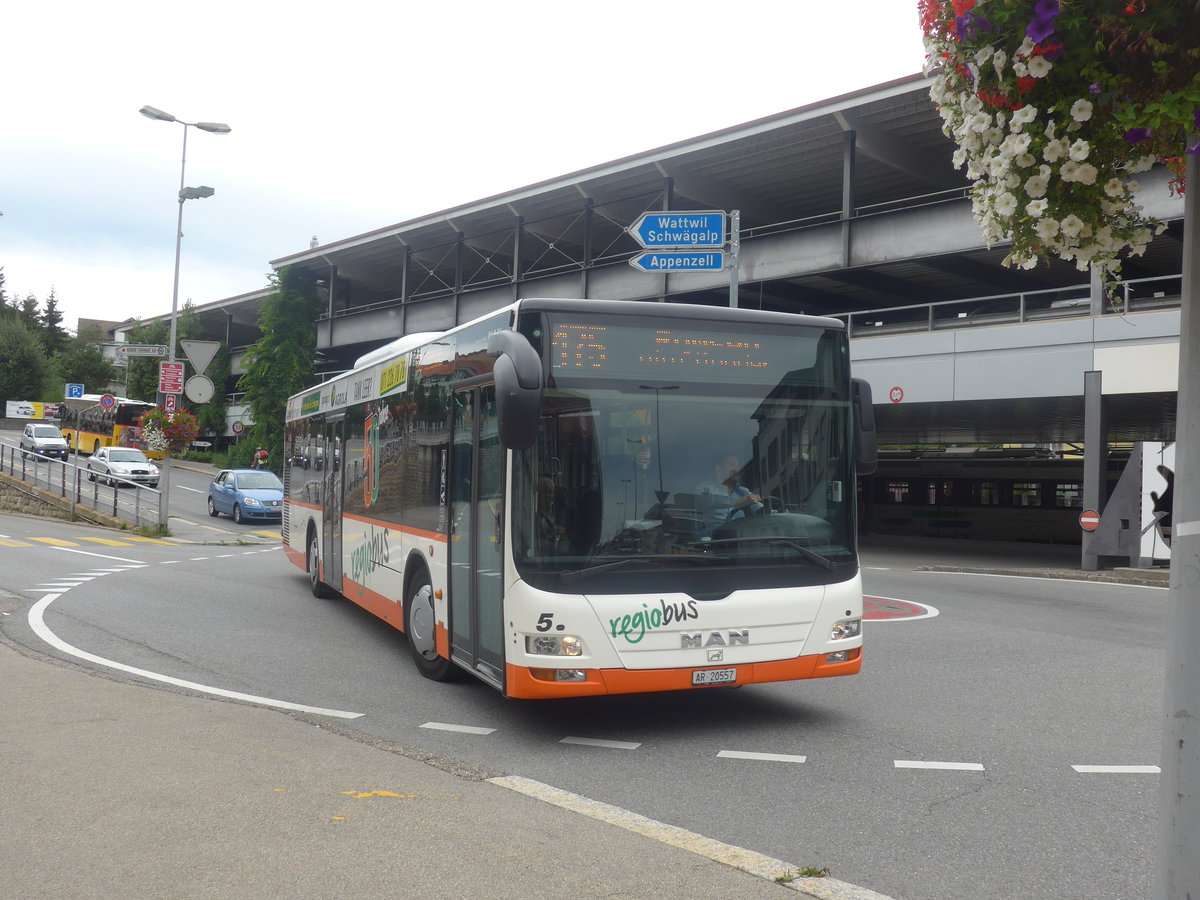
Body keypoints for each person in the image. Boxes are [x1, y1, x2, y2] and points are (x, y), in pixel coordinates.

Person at [696, 454, 762, 533]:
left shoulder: (744, 491)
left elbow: (762, 511)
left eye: (738, 466)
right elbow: (711, 500)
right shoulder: (705, 488)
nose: (737, 469)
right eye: (732, 465)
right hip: (714, 541)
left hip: (743, 539)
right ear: (719, 469)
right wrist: (739, 502)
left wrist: (776, 513)